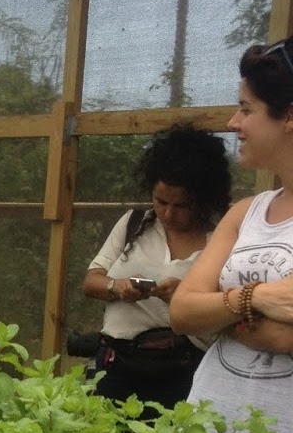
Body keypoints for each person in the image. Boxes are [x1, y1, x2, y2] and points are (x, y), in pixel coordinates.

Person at [171, 36, 293, 433]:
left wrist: (221, 310)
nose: (233, 121)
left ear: (290, 116)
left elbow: (284, 337)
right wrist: (258, 298)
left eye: (247, 108)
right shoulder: (246, 212)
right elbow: (182, 312)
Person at [80, 124, 231, 416]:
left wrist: (183, 298)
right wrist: (116, 287)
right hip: (118, 366)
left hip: (184, 369)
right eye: (160, 201)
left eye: (181, 205)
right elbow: (91, 281)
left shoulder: (220, 242)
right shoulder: (135, 223)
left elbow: (225, 312)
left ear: (203, 199)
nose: (168, 213)